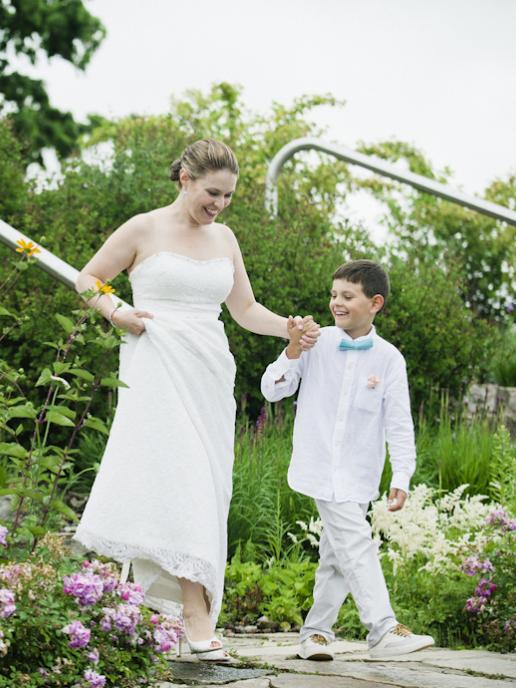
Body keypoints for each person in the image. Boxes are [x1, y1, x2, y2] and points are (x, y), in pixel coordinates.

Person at [73, 139, 320, 662]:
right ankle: (192, 613)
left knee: (204, 487)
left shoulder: (225, 237)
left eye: (228, 196)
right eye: (213, 193)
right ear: (185, 178)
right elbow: (87, 279)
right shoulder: (143, 228)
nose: (219, 205)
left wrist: (290, 331)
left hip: (208, 371)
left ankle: (154, 609)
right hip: (156, 364)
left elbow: (246, 309)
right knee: (174, 478)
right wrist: (117, 313)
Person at [260, 259, 434, 660]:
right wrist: (291, 347)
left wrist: (402, 475)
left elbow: (399, 423)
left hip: (359, 471)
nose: (336, 303)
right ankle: (384, 629)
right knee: (356, 543)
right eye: (333, 295)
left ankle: (315, 633)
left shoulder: (389, 359)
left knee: (337, 554)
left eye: (347, 296)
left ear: (375, 303)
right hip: (320, 466)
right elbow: (273, 390)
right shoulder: (314, 343)